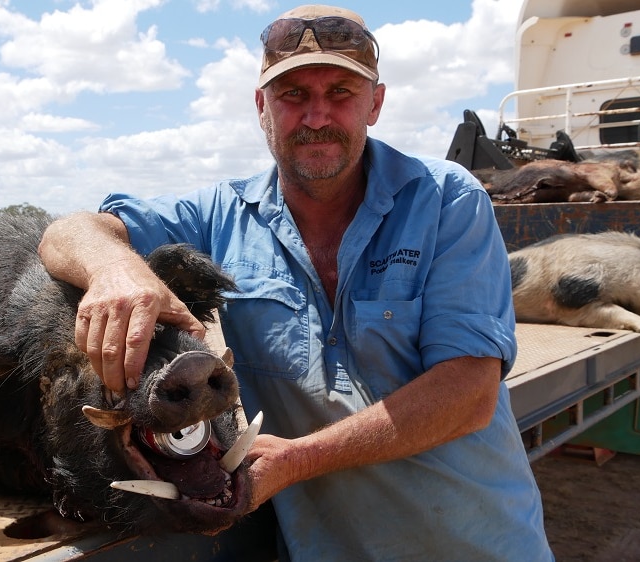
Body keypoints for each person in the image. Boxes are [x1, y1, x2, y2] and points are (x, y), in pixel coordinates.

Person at [38, 4, 554, 560]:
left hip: (474, 542)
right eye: (292, 96)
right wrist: (114, 269)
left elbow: (469, 393)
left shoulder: (446, 199)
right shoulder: (219, 216)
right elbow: (68, 232)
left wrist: (300, 459)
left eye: (340, 92)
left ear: (374, 104)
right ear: (261, 106)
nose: (316, 116)